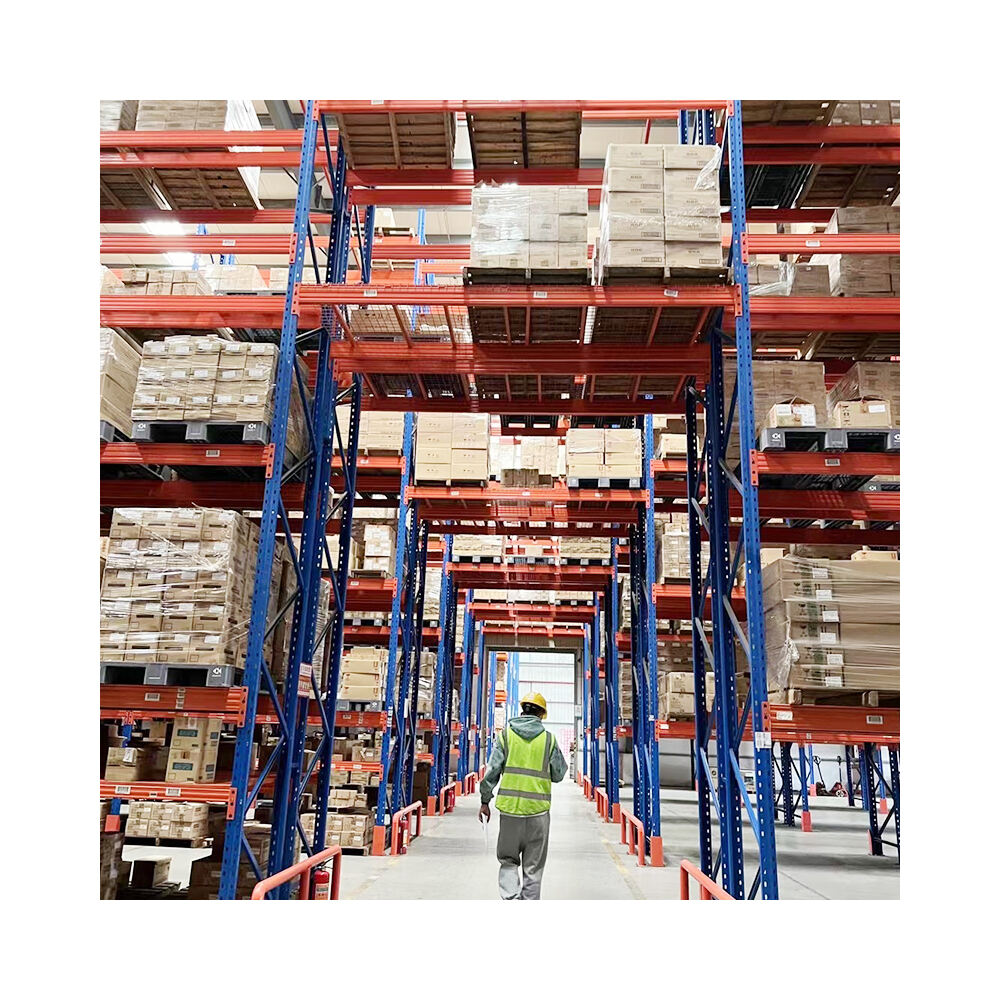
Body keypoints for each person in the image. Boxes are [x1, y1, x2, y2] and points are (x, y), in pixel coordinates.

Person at [478, 692, 567, 899]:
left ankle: (511, 900)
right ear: (542, 714)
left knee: (508, 861)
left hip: (510, 813)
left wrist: (485, 801)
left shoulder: (506, 737)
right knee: (533, 868)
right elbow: (559, 774)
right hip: (538, 814)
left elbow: (491, 773)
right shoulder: (549, 740)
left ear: (522, 711)